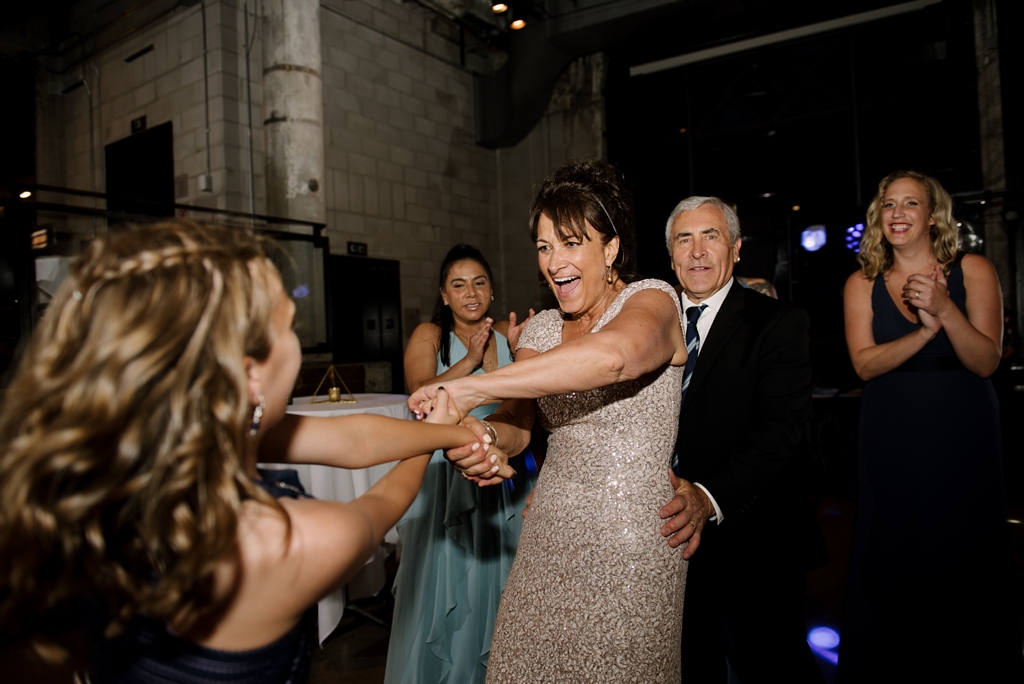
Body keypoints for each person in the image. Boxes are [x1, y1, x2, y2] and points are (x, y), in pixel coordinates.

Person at [0, 221, 480, 683]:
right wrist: (445, 434)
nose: (295, 342)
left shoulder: (159, 446)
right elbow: (380, 505)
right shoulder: (281, 542)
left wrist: (459, 436)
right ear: (250, 374)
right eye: (288, 327)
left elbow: (355, 440)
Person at [410, 159, 689, 683]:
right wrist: (484, 439)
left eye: (570, 242)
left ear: (609, 249)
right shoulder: (539, 328)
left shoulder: (652, 299)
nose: (554, 261)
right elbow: (519, 421)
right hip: (549, 533)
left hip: (632, 542)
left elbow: (613, 359)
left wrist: (467, 389)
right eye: (544, 247)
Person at [838, 171, 1021, 681]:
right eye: (888, 204)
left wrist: (943, 308)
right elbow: (865, 365)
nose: (896, 213)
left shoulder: (973, 269)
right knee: (894, 540)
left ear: (932, 216)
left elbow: (985, 361)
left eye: (910, 204)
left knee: (962, 539)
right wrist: (924, 333)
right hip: (890, 427)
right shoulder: (862, 283)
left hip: (962, 423)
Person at [657, 196, 825, 683]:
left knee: (773, 663)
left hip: (754, 536)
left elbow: (780, 432)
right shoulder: (647, 328)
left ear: (735, 250)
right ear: (670, 257)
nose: (697, 251)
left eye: (710, 236)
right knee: (690, 665)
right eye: (683, 240)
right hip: (667, 540)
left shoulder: (778, 323)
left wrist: (707, 497)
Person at [384, 245, 535, 684]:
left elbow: (530, 402)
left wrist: (528, 351)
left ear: (492, 289)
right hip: (447, 477)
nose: (471, 292)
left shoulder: (510, 335)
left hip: (508, 470)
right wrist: (468, 361)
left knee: (507, 582)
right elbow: (419, 393)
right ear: (444, 295)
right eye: (459, 284)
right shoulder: (429, 335)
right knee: (451, 588)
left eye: (480, 282)